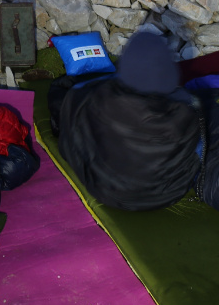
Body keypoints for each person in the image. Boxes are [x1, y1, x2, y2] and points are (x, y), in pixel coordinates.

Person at [54, 30, 203, 210]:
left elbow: (73, 138)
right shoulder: (187, 111)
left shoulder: (96, 99)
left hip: (104, 190)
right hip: (168, 195)